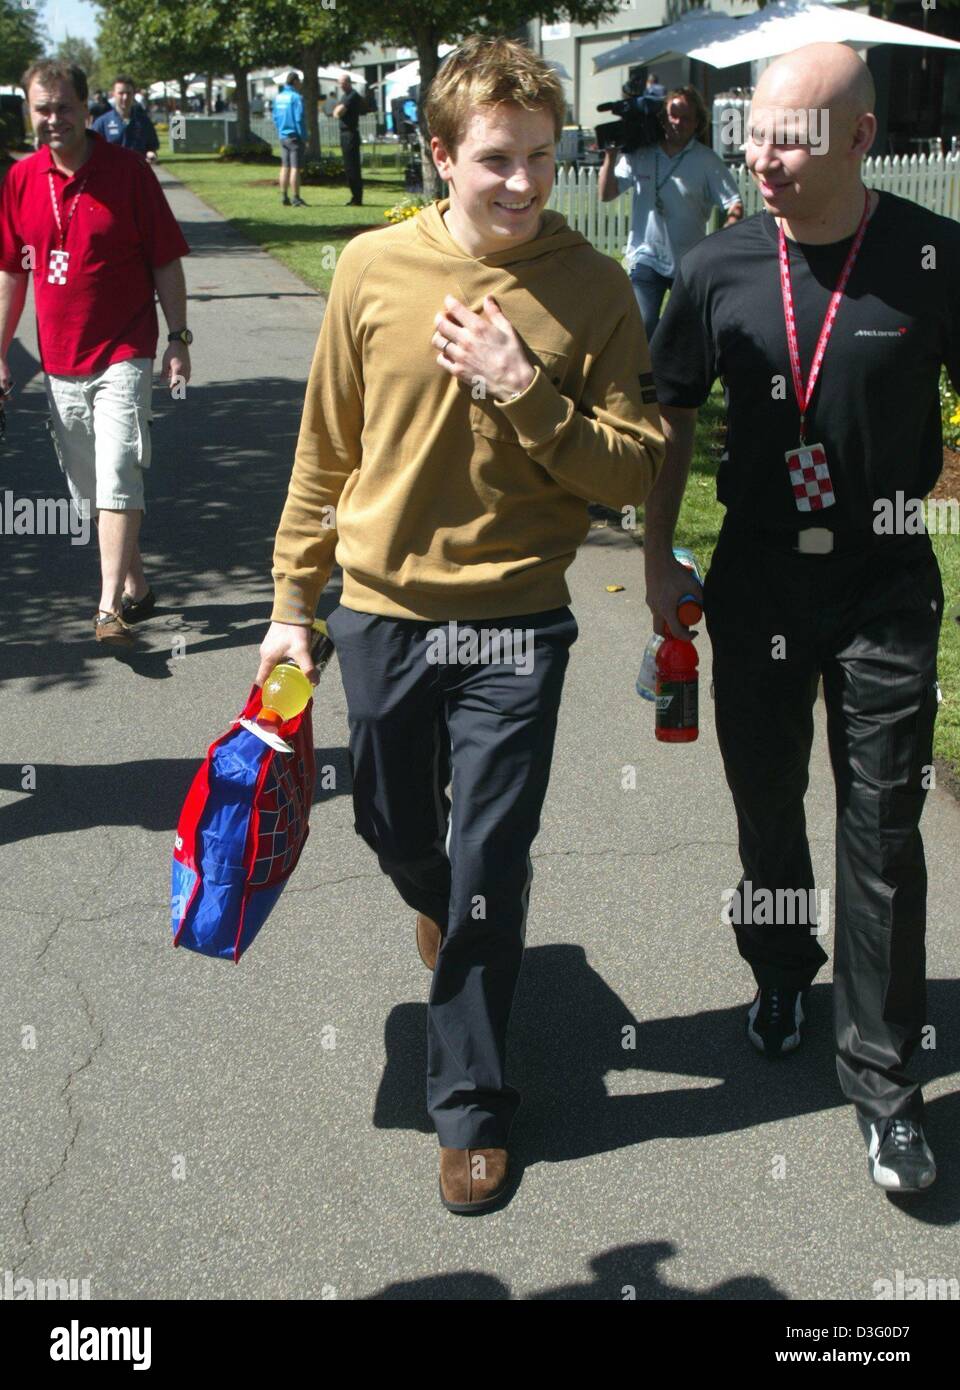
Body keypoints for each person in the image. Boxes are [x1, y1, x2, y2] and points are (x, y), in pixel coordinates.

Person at [256, 35, 664, 1213]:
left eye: (545, 155)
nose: (528, 182)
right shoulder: (374, 270)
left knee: (492, 857)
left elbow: (635, 474)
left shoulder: (593, 288)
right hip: (383, 609)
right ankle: (439, 902)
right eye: (498, 159)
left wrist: (524, 386)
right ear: (441, 154)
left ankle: (474, 1107)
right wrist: (294, 608)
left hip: (517, 623)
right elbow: (326, 451)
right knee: (393, 829)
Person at [646, 42, 960, 1193]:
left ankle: (885, 1082)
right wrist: (654, 552)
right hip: (759, 577)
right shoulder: (717, 264)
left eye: (792, 138)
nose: (762, 157)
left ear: (862, 138)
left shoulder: (932, 257)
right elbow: (672, 415)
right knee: (767, 799)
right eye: (754, 134)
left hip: (883, 579)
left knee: (884, 831)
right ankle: (781, 964)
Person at [0, 61, 191, 643]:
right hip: (60, 359)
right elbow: (11, 270)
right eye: (43, 109)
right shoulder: (21, 180)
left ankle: (107, 607)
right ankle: (136, 586)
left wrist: (178, 338)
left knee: (117, 469)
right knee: (90, 490)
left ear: (87, 108)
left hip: (125, 350)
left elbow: (165, 260)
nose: (53, 119)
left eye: (63, 107)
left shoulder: (128, 172)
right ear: (31, 113)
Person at [599, 85, 743, 340]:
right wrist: (610, 156)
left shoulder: (706, 160)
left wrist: (725, 236)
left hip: (688, 262)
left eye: (686, 118)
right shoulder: (641, 153)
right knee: (643, 323)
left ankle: (668, 373)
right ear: (662, 117)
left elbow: (734, 204)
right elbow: (607, 194)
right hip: (646, 257)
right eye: (672, 116)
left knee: (685, 332)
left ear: (698, 122)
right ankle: (646, 376)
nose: (678, 123)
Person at [92, 76, 160, 163]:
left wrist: (151, 155)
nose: (125, 97)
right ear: (113, 94)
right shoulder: (102, 123)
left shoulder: (144, 122)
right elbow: (91, 152)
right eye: (121, 93)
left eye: (128, 93)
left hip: (137, 173)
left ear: (134, 94)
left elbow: (151, 148)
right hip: (112, 174)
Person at [272, 71, 307, 208]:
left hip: (283, 136)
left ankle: (284, 196)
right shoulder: (296, 97)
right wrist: (304, 136)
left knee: (284, 166)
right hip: (294, 136)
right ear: (295, 82)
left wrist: (280, 131)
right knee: (295, 168)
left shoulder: (279, 97)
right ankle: (296, 197)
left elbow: (275, 117)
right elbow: (299, 119)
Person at [333, 73, 364, 206]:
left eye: (342, 83)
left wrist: (338, 111)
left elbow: (338, 112)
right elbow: (336, 112)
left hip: (351, 134)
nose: (340, 86)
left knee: (353, 167)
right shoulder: (344, 96)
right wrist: (338, 110)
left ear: (348, 83)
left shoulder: (352, 96)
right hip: (344, 134)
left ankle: (357, 197)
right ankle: (354, 197)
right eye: (339, 83)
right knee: (348, 167)